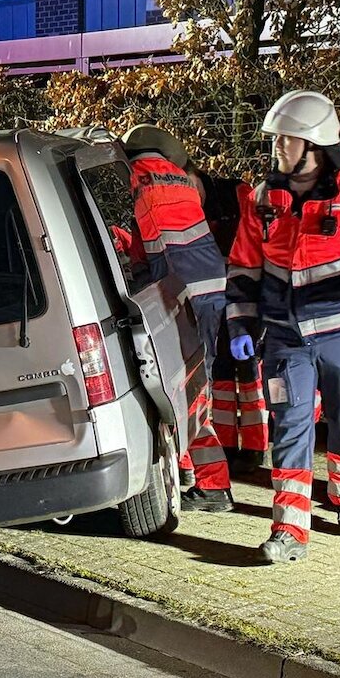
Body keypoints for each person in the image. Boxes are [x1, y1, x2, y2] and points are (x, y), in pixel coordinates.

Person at [225, 90, 340, 562]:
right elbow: (243, 268)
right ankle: (289, 530)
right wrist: (240, 324)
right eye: (276, 138)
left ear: (315, 146)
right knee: (289, 427)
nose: (277, 147)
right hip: (284, 339)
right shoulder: (262, 199)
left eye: (286, 139)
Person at [120, 125, 232, 512]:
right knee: (195, 382)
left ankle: (214, 486)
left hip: (183, 292)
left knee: (186, 389)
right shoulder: (178, 178)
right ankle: (190, 470)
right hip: (209, 287)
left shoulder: (135, 176)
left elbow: (150, 250)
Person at [187, 166, 266, 474]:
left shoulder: (236, 192)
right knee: (220, 370)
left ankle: (256, 447)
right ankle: (226, 443)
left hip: (243, 294)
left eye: (191, 184)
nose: (191, 193)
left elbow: (254, 241)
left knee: (248, 369)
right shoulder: (188, 207)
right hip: (211, 298)